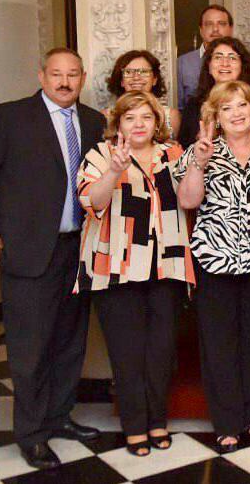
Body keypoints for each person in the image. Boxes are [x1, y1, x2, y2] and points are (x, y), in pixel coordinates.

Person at [0, 48, 105, 470]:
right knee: (30, 348)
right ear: (41, 76)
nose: (64, 82)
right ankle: (32, 433)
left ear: (82, 77)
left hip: (78, 249)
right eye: (56, 74)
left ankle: (59, 417)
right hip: (27, 251)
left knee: (69, 342)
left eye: (72, 75)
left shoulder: (93, 121)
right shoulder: (11, 117)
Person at [76, 91, 196, 456]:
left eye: (146, 117)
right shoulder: (100, 154)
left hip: (167, 265)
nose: (139, 124)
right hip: (116, 267)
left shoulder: (172, 154)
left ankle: (157, 420)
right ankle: (134, 426)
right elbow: (92, 202)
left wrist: (199, 165)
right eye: (131, 118)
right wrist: (115, 169)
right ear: (118, 123)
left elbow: (190, 200)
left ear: (157, 121)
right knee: (127, 353)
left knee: (161, 352)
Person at [176, 81, 250, 453]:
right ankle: (227, 422)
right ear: (215, 117)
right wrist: (199, 163)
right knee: (219, 344)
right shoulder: (201, 151)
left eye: (242, 105)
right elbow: (187, 199)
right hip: (214, 260)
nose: (236, 113)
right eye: (227, 108)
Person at [177, 36, 250, 147]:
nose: (225, 63)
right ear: (209, 66)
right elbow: (183, 148)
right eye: (218, 57)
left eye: (232, 58)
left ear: (242, 65)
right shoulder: (194, 105)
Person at [105, 49, 182, 139]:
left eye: (144, 72)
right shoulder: (106, 116)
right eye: (128, 72)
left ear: (154, 79)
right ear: (121, 81)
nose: (136, 77)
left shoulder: (171, 116)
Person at [177, 4, 234, 109]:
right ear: (201, 30)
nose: (215, 29)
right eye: (209, 24)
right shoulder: (183, 63)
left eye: (221, 24)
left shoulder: (240, 59)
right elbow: (179, 108)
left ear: (231, 29)